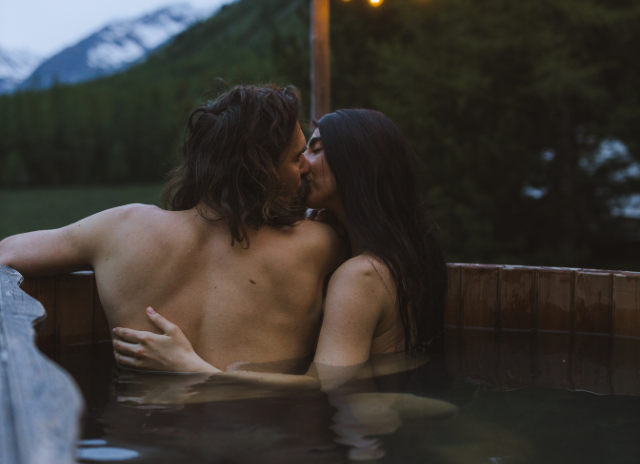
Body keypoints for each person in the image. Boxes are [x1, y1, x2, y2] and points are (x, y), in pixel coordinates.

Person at [0, 85, 345, 369]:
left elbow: (8, 252)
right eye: (295, 157)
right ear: (259, 170)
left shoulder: (122, 228)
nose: (304, 167)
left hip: (144, 437)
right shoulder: (318, 245)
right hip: (264, 438)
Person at [111, 108, 448, 378]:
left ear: (356, 163)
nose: (302, 165)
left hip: (363, 442)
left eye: (315, 151)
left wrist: (191, 367)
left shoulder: (360, 277)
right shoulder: (402, 256)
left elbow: (329, 388)